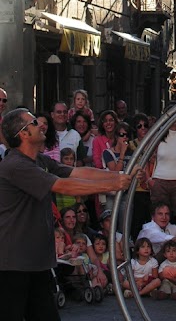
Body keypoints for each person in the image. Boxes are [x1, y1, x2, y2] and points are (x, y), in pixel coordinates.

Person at [0, 107, 136, 321]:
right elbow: (65, 186)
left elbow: (77, 172)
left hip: (36, 261)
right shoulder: (16, 165)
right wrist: (114, 184)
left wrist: (117, 175)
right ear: (23, 134)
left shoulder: (40, 160)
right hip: (13, 263)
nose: (41, 125)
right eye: (34, 122)